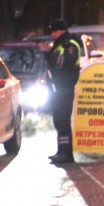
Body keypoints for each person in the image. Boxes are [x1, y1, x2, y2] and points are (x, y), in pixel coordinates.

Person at [45, 19, 82, 164]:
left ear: (61, 30)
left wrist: (49, 53)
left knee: (63, 120)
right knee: (59, 121)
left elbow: (64, 62)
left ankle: (66, 154)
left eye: (54, 31)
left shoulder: (70, 44)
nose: (52, 34)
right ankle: (62, 151)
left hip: (65, 88)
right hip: (58, 88)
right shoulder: (60, 44)